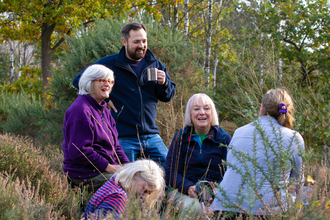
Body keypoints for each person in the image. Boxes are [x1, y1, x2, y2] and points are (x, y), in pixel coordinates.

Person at [72, 22, 176, 167]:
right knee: (127, 180)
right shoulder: (110, 63)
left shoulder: (155, 64)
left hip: (151, 135)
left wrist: (163, 83)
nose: (141, 45)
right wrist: (105, 97)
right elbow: (79, 80)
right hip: (123, 136)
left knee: (171, 173)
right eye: (136, 42)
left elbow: (168, 96)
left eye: (144, 41)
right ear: (124, 42)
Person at [211, 88, 305, 219]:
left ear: (262, 108)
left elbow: (231, 168)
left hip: (224, 208)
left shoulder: (239, 132)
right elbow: (296, 183)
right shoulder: (294, 138)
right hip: (266, 211)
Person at [62, 64, 129, 192]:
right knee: (130, 187)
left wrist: (129, 167)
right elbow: (80, 151)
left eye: (110, 81)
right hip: (85, 175)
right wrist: (108, 167)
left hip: (103, 170)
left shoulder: (104, 111)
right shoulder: (80, 111)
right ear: (89, 82)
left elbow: (116, 147)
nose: (107, 84)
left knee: (142, 181)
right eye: (102, 80)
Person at [165, 93, 231, 219]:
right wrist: (188, 187)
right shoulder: (180, 137)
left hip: (217, 191)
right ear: (190, 114)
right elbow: (170, 171)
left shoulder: (223, 138)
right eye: (196, 109)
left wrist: (219, 190)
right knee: (193, 208)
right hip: (184, 191)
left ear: (212, 113)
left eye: (206, 108)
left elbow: (232, 171)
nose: (202, 112)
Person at [84, 159, 165, 220]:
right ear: (135, 174)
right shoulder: (117, 197)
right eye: (144, 190)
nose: (144, 197)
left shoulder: (114, 184)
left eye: (149, 194)